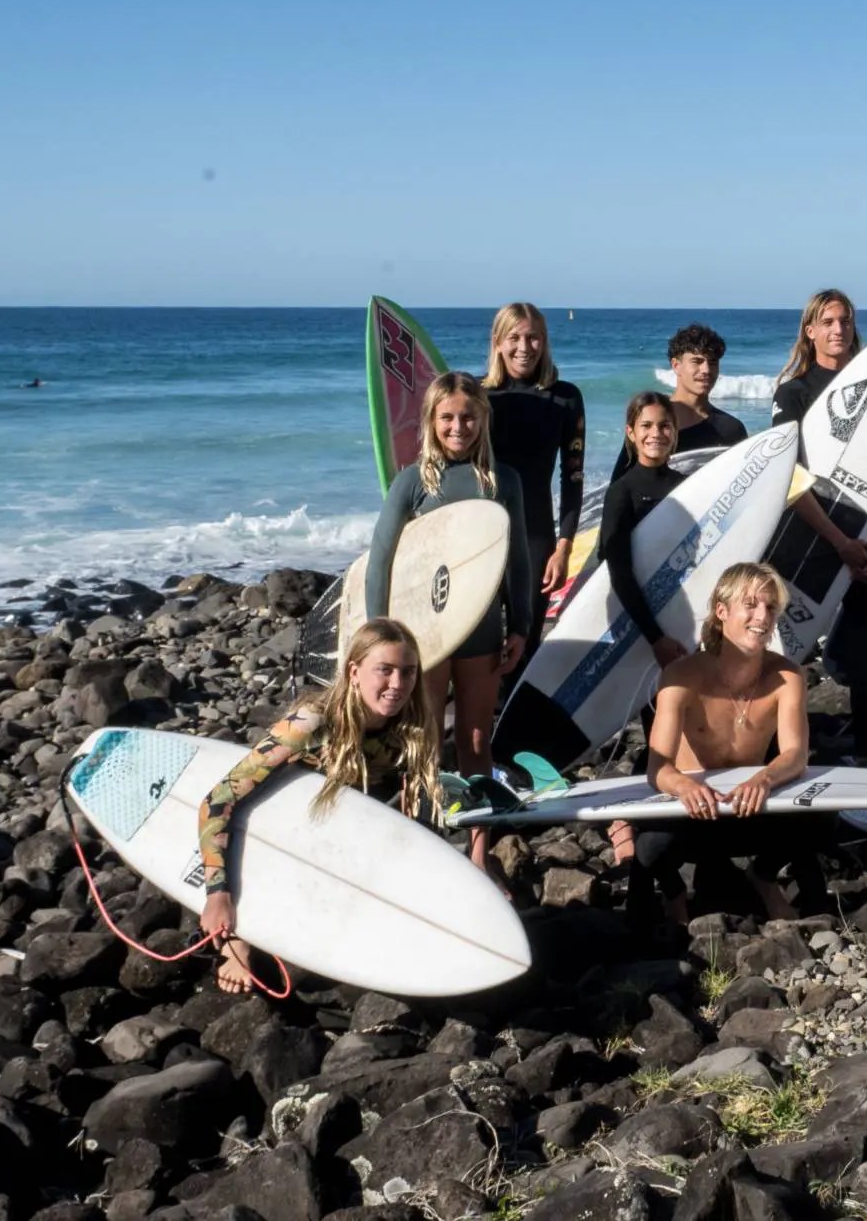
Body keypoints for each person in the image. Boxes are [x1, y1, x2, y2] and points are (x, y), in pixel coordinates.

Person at [197, 618, 443, 992]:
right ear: (354, 672)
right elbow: (218, 800)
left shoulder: (414, 726)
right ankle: (238, 940)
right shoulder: (311, 722)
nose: (397, 684)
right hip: (275, 827)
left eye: (408, 672)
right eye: (385, 670)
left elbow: (420, 812)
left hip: (342, 824)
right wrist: (218, 894)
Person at [367, 372, 532, 875]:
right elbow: (383, 560)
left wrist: (521, 624)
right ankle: (428, 850)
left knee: (477, 742)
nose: (458, 426)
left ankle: (479, 856)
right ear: (431, 422)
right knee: (426, 741)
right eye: (447, 418)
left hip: (483, 629)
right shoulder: (414, 481)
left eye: (468, 416)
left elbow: (518, 560)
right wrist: (380, 638)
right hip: (428, 635)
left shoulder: (504, 479)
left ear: (483, 419)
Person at [637, 563, 823, 923]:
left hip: (748, 809)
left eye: (770, 608)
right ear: (721, 612)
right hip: (695, 813)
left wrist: (764, 779)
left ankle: (764, 876)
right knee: (651, 846)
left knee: (820, 820)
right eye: (751, 605)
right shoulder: (680, 676)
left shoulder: (787, 676)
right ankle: (675, 892)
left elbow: (795, 753)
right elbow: (656, 767)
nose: (762, 617)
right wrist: (683, 786)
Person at [770, 290, 867, 755]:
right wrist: (839, 540)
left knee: (863, 648)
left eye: (844, 320)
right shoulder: (794, 392)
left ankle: (866, 746)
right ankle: (788, 749)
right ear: (810, 330)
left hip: (860, 534)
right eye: (827, 321)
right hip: (804, 536)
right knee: (790, 647)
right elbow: (788, 476)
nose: (838, 329)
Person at [483, 302, 585, 655]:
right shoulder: (478, 396)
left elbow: (572, 477)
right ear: (497, 342)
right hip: (481, 534)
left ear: (545, 341)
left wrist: (563, 547)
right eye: (514, 337)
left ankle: (513, 711)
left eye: (534, 338)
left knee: (522, 645)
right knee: (479, 649)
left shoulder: (566, 398)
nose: (524, 347)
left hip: (536, 536)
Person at [600, 392, 689, 668]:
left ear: (674, 432)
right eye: (646, 425)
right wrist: (655, 639)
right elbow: (619, 573)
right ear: (630, 432)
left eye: (664, 426)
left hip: (683, 609)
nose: (656, 433)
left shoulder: (688, 486)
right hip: (641, 620)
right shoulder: (621, 492)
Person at [611, 323, 747, 479]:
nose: (706, 370)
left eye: (713, 362)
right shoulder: (651, 422)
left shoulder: (731, 429)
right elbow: (619, 484)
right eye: (697, 361)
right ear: (676, 365)